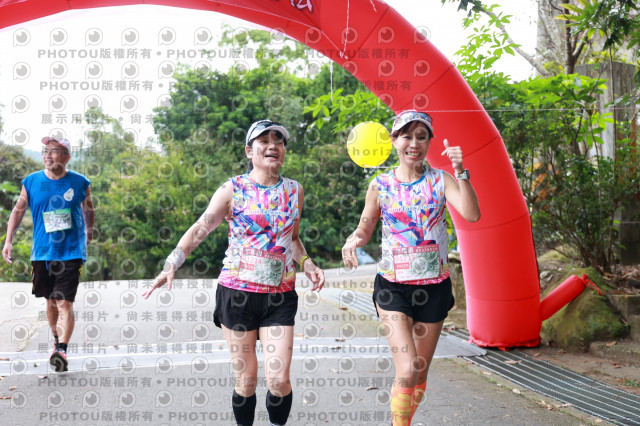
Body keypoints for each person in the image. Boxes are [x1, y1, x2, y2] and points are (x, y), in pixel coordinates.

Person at [142, 119, 325, 426]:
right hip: (237, 295)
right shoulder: (233, 188)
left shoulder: (295, 191)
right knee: (247, 379)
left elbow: (292, 239)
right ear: (249, 151)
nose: (273, 146)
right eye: (264, 141)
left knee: (278, 379)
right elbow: (202, 227)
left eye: (278, 141)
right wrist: (172, 262)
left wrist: (307, 263)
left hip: (280, 297)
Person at [341, 111, 480, 425]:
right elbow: (364, 228)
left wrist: (461, 172)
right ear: (394, 141)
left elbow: (472, 215)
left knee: (419, 371)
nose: (414, 144)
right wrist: (353, 240)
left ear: (429, 142)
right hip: (393, 288)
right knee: (406, 369)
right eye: (406, 136)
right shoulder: (380, 185)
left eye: (421, 136)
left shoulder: (441, 180)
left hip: (434, 289)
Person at [2, 136, 94, 372]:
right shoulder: (32, 181)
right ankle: (56, 341)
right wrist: (8, 240)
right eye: (45, 151)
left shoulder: (80, 182)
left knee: (64, 302)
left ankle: (62, 349)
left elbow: (88, 208)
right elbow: (18, 211)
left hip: (71, 252)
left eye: (54, 151)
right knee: (51, 301)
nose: (47, 155)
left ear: (67, 157)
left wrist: (89, 232)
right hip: (42, 253)